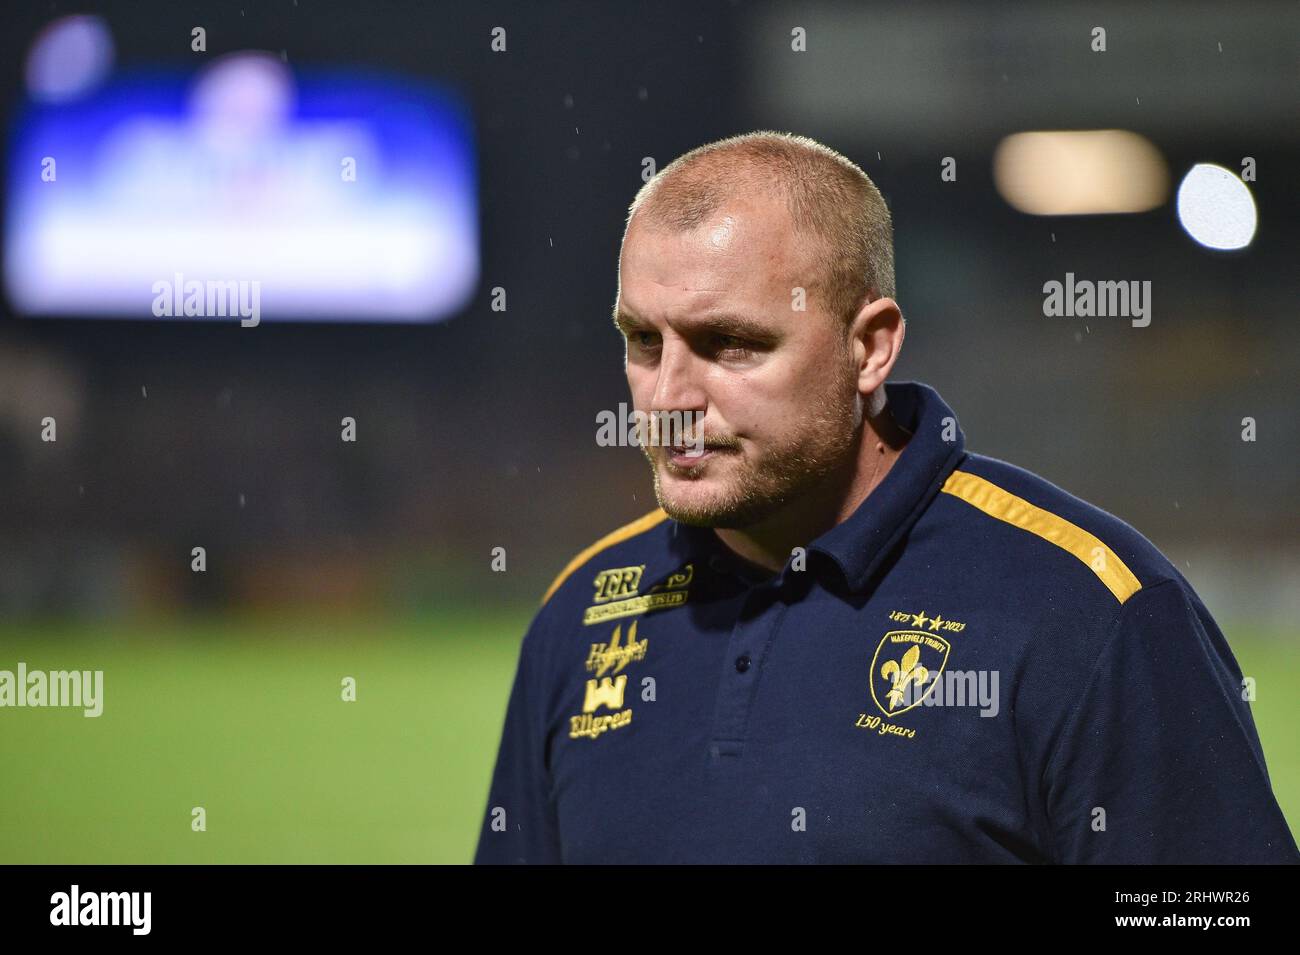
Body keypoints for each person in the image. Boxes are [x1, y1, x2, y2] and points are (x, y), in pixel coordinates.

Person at [474, 130, 1299, 863]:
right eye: (644, 342)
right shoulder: (581, 614)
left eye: (730, 344)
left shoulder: (1091, 612)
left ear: (868, 348)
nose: (668, 397)